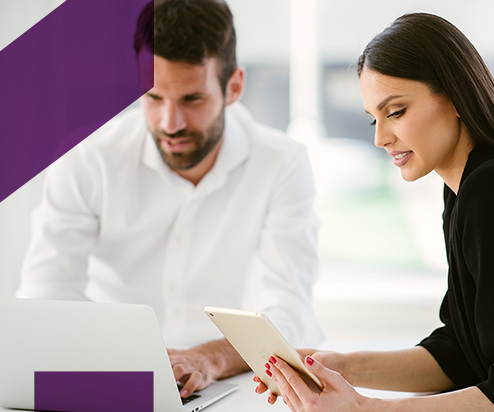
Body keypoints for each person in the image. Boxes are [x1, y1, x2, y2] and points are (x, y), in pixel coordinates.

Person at [255, 12, 494, 411]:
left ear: (454, 97)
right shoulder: (467, 188)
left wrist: (364, 409)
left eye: (396, 112)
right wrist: (340, 367)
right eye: (373, 119)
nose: (382, 138)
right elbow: (459, 352)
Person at [17, 0, 324, 399]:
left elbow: (288, 308)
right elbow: (45, 294)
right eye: (154, 97)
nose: (170, 123)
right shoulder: (87, 161)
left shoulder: (282, 165)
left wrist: (207, 360)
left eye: (192, 99)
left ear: (234, 87)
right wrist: (124, 363)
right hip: (109, 371)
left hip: (230, 377)